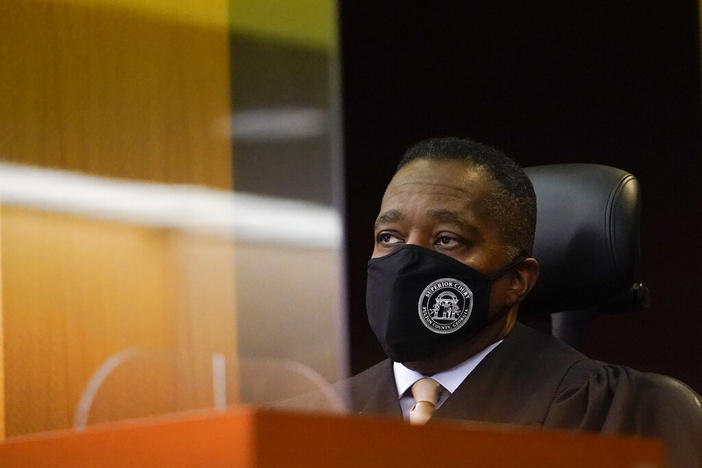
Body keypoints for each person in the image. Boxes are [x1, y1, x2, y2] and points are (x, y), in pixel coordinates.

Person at [343, 137, 701, 468]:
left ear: (516, 281)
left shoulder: (619, 411)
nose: (407, 261)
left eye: (446, 240)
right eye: (388, 237)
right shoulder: (319, 412)